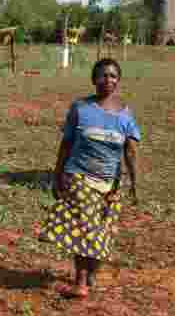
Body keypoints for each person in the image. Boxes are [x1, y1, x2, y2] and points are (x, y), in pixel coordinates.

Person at [39, 58, 140, 298]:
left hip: (111, 183)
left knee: (102, 231)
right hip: (80, 177)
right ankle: (81, 282)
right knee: (85, 229)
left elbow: (131, 151)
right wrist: (57, 175)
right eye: (103, 75)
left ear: (119, 81)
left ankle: (90, 273)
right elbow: (66, 144)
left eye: (113, 76)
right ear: (94, 80)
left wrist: (134, 183)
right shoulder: (80, 109)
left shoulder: (126, 116)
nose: (108, 80)